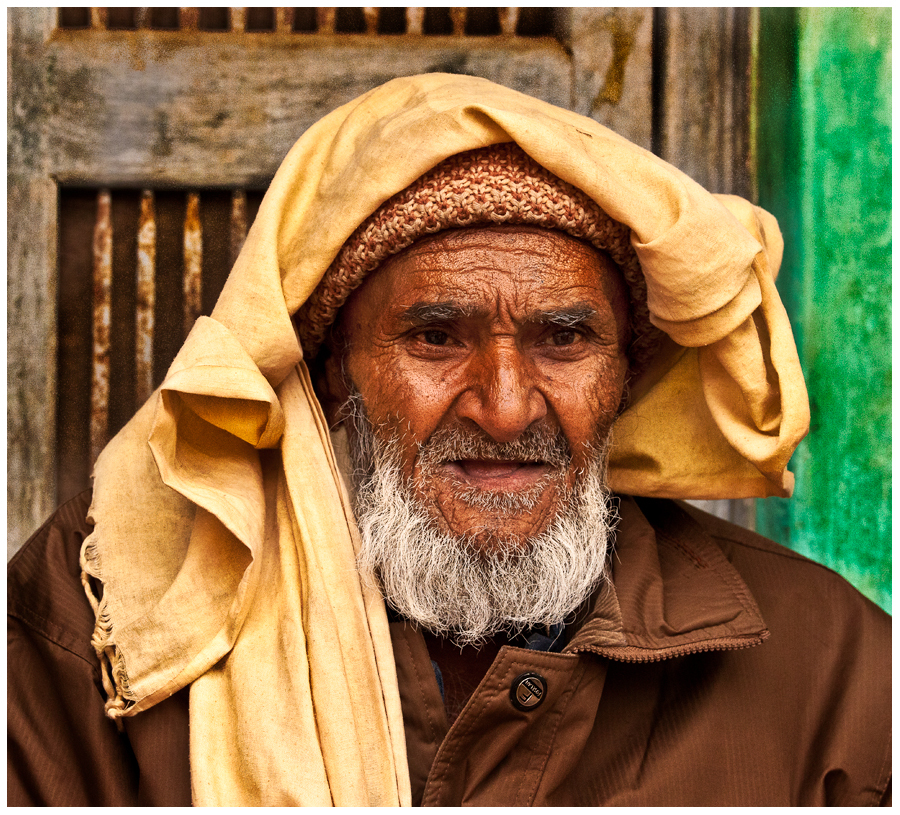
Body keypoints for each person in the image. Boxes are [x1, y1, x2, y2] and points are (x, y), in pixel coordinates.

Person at [8, 74, 890, 807]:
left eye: (565, 338)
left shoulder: (829, 671)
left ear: (625, 376)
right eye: (435, 336)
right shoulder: (106, 618)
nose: (506, 408)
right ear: (335, 369)